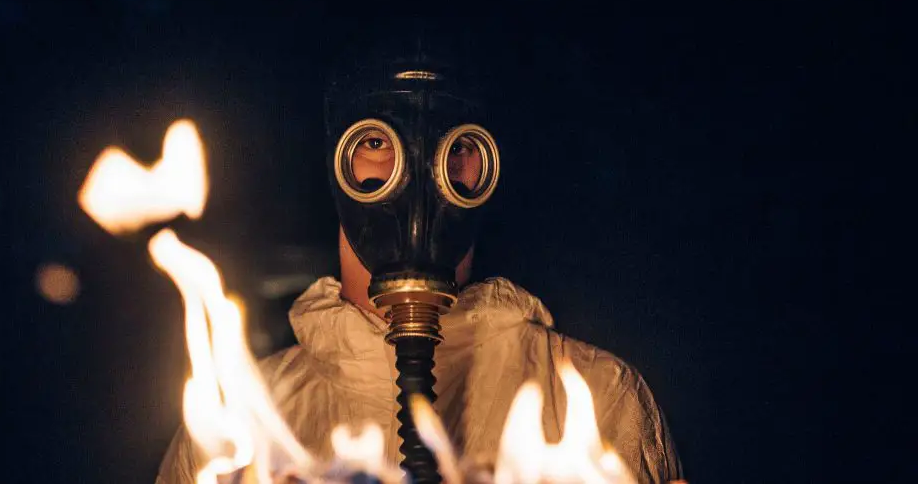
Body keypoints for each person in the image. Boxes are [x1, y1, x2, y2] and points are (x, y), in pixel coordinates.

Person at [156, 37, 684, 484]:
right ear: (337, 166)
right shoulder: (233, 424)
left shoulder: (596, 400)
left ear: (487, 168)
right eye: (377, 142)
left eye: (456, 148)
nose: (417, 180)